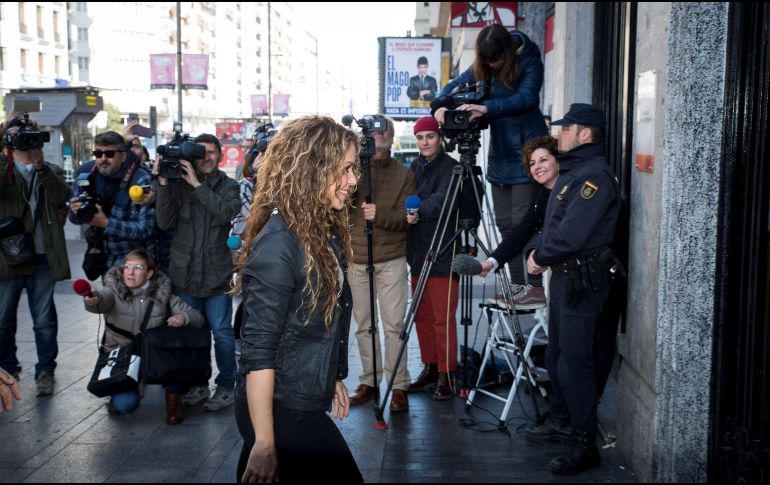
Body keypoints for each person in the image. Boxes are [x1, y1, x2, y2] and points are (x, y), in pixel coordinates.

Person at [233, 116, 362, 483]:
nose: (353, 181)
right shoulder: (279, 245)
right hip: (279, 407)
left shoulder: (316, 230)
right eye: (346, 169)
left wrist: (328, 376)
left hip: (296, 398)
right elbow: (257, 352)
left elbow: (313, 324)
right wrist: (264, 443)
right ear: (313, 170)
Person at [526, 103, 621, 475]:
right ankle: (564, 422)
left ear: (584, 134)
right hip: (566, 278)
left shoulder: (594, 176)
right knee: (557, 358)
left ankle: (584, 444)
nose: (559, 134)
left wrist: (539, 257)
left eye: (566, 129)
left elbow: (571, 234)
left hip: (582, 282)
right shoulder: (575, 171)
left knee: (574, 363)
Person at [434, 24, 548, 302]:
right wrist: (439, 105)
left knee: (524, 223)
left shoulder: (529, 58)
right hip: (500, 155)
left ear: (507, 52)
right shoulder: (484, 65)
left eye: (496, 60)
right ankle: (518, 286)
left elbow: (526, 98)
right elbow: (452, 86)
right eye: (487, 62)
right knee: (505, 224)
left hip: (527, 152)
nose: (492, 66)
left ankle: (533, 288)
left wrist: (485, 108)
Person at [154, 133, 241, 411]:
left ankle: (227, 384)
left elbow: (225, 213)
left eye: (212, 152)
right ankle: (199, 383)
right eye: (201, 152)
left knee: (222, 333)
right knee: (194, 334)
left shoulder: (229, 186)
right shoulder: (176, 185)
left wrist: (196, 185)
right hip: (186, 274)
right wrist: (165, 184)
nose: (207, 157)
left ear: (220, 155)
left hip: (217, 275)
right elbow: (164, 223)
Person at [82, 249, 204, 423]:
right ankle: (122, 394)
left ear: (148, 274)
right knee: (125, 405)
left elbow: (197, 317)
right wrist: (93, 300)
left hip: (154, 356)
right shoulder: (113, 291)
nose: (130, 272)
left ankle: (173, 402)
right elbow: (101, 300)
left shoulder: (163, 293)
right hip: (123, 357)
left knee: (178, 357)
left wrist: (183, 317)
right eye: (127, 267)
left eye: (137, 268)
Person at [347, 116, 416, 413]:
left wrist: (380, 214)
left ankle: (398, 384)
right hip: (356, 259)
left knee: (394, 325)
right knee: (364, 326)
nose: (377, 137)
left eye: (382, 131)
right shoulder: (351, 170)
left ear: (391, 135)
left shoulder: (405, 173)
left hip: (392, 259)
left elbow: (406, 219)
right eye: (371, 132)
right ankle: (369, 380)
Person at [0, 119, 71, 397]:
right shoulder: (3, 168)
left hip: (42, 256)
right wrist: (5, 155)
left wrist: (40, 167)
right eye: (19, 138)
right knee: (3, 320)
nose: (27, 143)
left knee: (44, 319)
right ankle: (7, 369)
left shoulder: (49, 170)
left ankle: (45, 371)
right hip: (7, 258)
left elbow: (62, 195)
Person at [404, 116, 459, 399]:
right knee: (422, 317)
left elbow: (443, 200)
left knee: (442, 319)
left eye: (430, 136)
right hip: (417, 252)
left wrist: (417, 211)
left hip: (443, 253)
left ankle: (447, 375)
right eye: (420, 137)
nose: (425, 142)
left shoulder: (452, 168)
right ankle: (431, 367)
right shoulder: (414, 166)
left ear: (440, 138)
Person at [478, 136, 559, 309]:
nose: (537, 167)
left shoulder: (570, 188)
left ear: (558, 161)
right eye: (532, 163)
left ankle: (535, 290)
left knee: (536, 239)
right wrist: (491, 261)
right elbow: (521, 231)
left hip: (582, 271)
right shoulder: (539, 191)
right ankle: (527, 289)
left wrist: (540, 251)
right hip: (559, 273)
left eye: (543, 160)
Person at [68, 131, 157, 275]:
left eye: (109, 154)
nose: (103, 159)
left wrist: (106, 224)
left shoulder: (140, 180)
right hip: (104, 260)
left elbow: (145, 229)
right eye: (98, 154)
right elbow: (73, 219)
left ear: (123, 156)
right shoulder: (86, 173)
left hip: (136, 262)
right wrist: (76, 210)